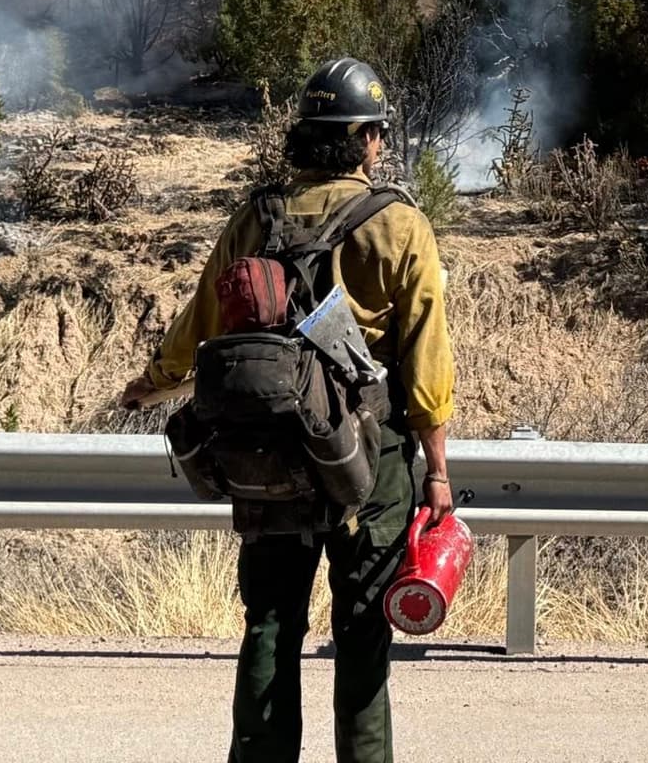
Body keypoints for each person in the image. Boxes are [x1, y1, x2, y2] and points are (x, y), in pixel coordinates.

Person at [120, 57, 455, 763]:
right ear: (362, 138)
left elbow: (202, 319)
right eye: (378, 133)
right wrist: (439, 475)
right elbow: (427, 363)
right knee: (363, 627)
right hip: (370, 461)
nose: (382, 145)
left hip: (266, 452)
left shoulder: (257, 216)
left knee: (271, 621)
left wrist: (152, 384)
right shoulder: (397, 226)